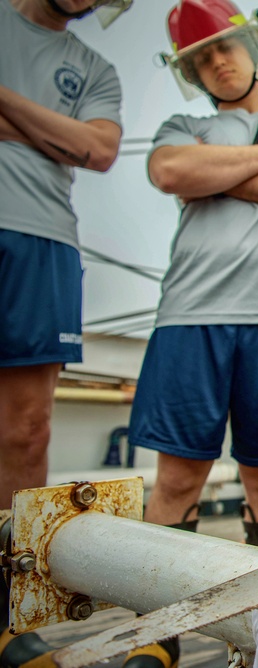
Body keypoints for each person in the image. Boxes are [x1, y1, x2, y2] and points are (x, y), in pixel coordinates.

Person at [0, 0, 130, 641]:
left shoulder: (95, 68)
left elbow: (97, 148)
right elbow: (73, 141)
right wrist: (54, 134)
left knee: (27, 430)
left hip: (44, 239)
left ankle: (8, 619)